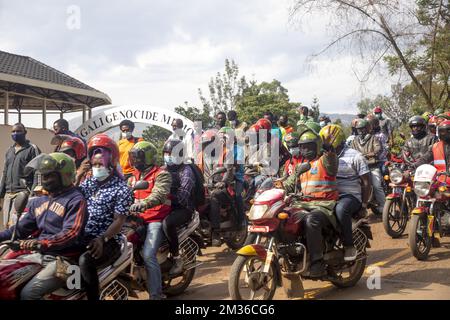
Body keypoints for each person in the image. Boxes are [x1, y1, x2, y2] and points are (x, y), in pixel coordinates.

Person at [0, 153, 88, 300]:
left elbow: (71, 233)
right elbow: (20, 229)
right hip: (37, 255)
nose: (45, 180)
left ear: (64, 175)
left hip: (64, 260)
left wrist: (41, 243)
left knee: (29, 294)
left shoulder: (75, 199)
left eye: (49, 176)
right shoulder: (38, 201)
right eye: (43, 176)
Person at [78, 134, 133, 300]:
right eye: (93, 164)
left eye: (100, 164)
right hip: (84, 236)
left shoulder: (121, 189)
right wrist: (79, 173)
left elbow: (119, 220)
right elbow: (70, 198)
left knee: (85, 261)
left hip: (108, 241)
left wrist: (102, 239)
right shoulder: (88, 184)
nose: (96, 167)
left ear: (111, 162)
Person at [278, 129, 339, 277]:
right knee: (283, 218)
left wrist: (329, 149)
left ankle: (317, 261)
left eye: (309, 146)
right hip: (303, 204)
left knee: (312, 220)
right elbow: (288, 184)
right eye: (303, 147)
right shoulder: (300, 166)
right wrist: (274, 188)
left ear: (317, 146)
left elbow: (332, 163)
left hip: (324, 205)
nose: (305, 150)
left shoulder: (324, 160)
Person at [128, 141, 172, 300]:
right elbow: (126, 195)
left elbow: (159, 194)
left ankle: (156, 294)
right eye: (134, 158)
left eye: (138, 158)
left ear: (148, 158)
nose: (136, 161)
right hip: (137, 219)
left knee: (148, 255)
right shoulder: (133, 176)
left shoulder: (161, 174)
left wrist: (144, 204)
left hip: (155, 219)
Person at [320, 125, 371, 261]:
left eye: (331, 146)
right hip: (327, 194)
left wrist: (364, 205)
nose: (328, 150)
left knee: (341, 210)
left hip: (350, 195)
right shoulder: (322, 156)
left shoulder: (355, 156)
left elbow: (366, 182)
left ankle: (349, 245)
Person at [161, 138, 196, 275]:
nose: (168, 156)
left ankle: (176, 258)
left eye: (172, 153)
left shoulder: (186, 171)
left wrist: (165, 198)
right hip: (165, 207)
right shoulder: (162, 170)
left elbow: (182, 197)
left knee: (167, 224)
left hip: (183, 209)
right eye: (166, 153)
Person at [197, 129, 235, 246]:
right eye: (204, 145)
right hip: (206, 187)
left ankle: (216, 232)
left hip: (224, 188)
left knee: (214, 197)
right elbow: (197, 171)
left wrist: (223, 182)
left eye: (208, 144)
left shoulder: (226, 152)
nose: (206, 147)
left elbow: (229, 171)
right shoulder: (200, 156)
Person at [0, 123, 40, 230]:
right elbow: (4, 172)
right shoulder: (9, 150)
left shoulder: (32, 149)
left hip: (22, 193)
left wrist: (33, 193)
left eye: (18, 131)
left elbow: (38, 171)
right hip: (8, 194)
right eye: (13, 131)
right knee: (6, 225)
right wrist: (1, 194)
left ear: (25, 132)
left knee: (16, 225)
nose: (15, 133)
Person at [351, 119, 385, 215]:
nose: (361, 131)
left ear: (367, 128)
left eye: (363, 129)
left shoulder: (374, 138)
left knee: (377, 185)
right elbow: (351, 150)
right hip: (359, 168)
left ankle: (383, 205)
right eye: (359, 129)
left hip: (372, 166)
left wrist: (367, 155)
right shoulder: (354, 140)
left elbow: (378, 148)